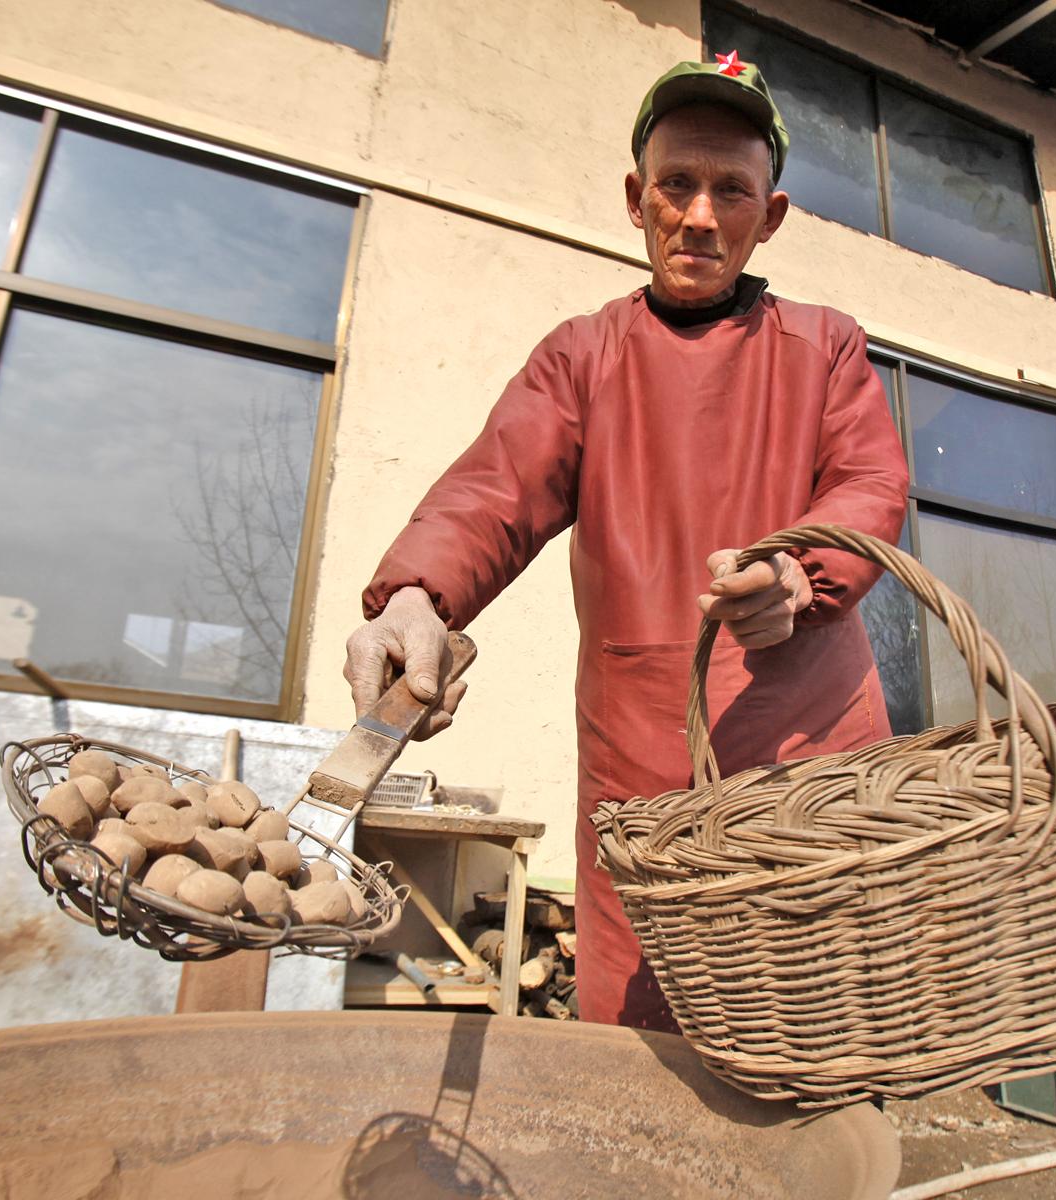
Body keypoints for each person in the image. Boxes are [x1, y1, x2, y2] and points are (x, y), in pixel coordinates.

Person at [344, 54, 910, 1030]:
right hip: (640, 769)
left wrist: (800, 574)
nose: (699, 215)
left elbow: (870, 485)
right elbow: (494, 489)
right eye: (675, 185)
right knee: (643, 1039)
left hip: (811, 754)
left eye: (729, 190)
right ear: (635, 199)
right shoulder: (583, 357)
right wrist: (412, 600)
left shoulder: (825, 346)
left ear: (767, 214)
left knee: (820, 1021)